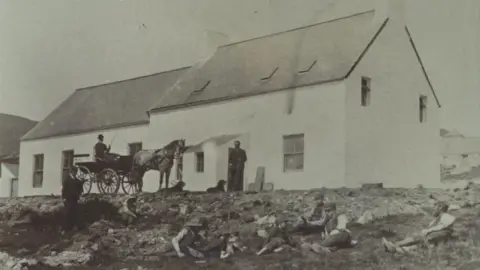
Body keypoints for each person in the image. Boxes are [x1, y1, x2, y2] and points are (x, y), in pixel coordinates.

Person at [382, 201, 456, 254]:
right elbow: (431, 227)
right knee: (417, 236)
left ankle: (396, 247)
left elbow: (441, 227)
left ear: (440, 207)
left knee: (423, 238)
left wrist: (428, 231)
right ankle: (395, 247)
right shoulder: (435, 220)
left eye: (435, 207)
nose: (434, 209)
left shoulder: (448, 217)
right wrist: (425, 231)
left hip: (439, 237)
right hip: (432, 237)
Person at [61, 166, 84, 232]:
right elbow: (64, 190)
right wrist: (63, 198)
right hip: (68, 199)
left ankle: (73, 228)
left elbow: (80, 188)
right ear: (71, 172)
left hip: (75, 199)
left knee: (75, 213)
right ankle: (64, 229)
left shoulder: (77, 180)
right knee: (67, 213)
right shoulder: (67, 180)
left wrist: (79, 194)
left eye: (76, 172)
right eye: (74, 171)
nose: (75, 173)